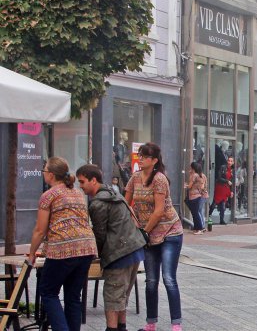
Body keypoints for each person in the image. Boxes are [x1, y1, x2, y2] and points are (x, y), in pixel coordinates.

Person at [28, 157, 98, 331]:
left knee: (48, 292)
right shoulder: (77, 193)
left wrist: (31, 254)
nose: (43, 174)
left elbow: (40, 230)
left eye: (44, 171)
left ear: (51, 175)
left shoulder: (48, 196)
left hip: (62, 249)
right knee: (73, 297)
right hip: (86, 248)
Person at [76, 164, 146, 331]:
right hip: (134, 249)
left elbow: (99, 235)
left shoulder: (98, 204)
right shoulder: (113, 193)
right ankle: (122, 327)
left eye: (82, 182)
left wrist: (92, 256)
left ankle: (113, 328)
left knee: (112, 297)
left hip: (119, 254)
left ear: (93, 180)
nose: (81, 186)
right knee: (121, 296)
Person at [125, 142, 184, 331]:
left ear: (155, 160)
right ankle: (151, 323)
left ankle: (176, 324)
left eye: (144, 156)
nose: (140, 159)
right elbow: (125, 204)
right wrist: (133, 223)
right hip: (148, 235)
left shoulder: (159, 179)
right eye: (139, 155)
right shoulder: (134, 178)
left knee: (168, 278)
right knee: (150, 280)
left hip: (169, 233)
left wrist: (143, 231)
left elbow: (159, 211)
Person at [185, 162, 207, 234]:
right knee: (198, 212)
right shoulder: (203, 175)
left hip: (194, 196)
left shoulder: (194, 175)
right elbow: (204, 185)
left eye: (190, 167)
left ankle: (199, 228)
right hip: (202, 195)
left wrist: (186, 186)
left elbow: (190, 186)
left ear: (193, 168)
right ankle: (199, 227)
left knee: (195, 213)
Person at [211, 156, 234, 224]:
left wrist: (231, 191)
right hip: (220, 187)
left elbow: (232, 182)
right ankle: (208, 215)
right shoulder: (223, 167)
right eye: (229, 160)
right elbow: (219, 177)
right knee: (215, 202)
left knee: (223, 204)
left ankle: (221, 219)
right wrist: (227, 181)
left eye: (231, 161)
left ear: (233, 162)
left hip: (226, 188)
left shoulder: (232, 170)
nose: (229, 162)